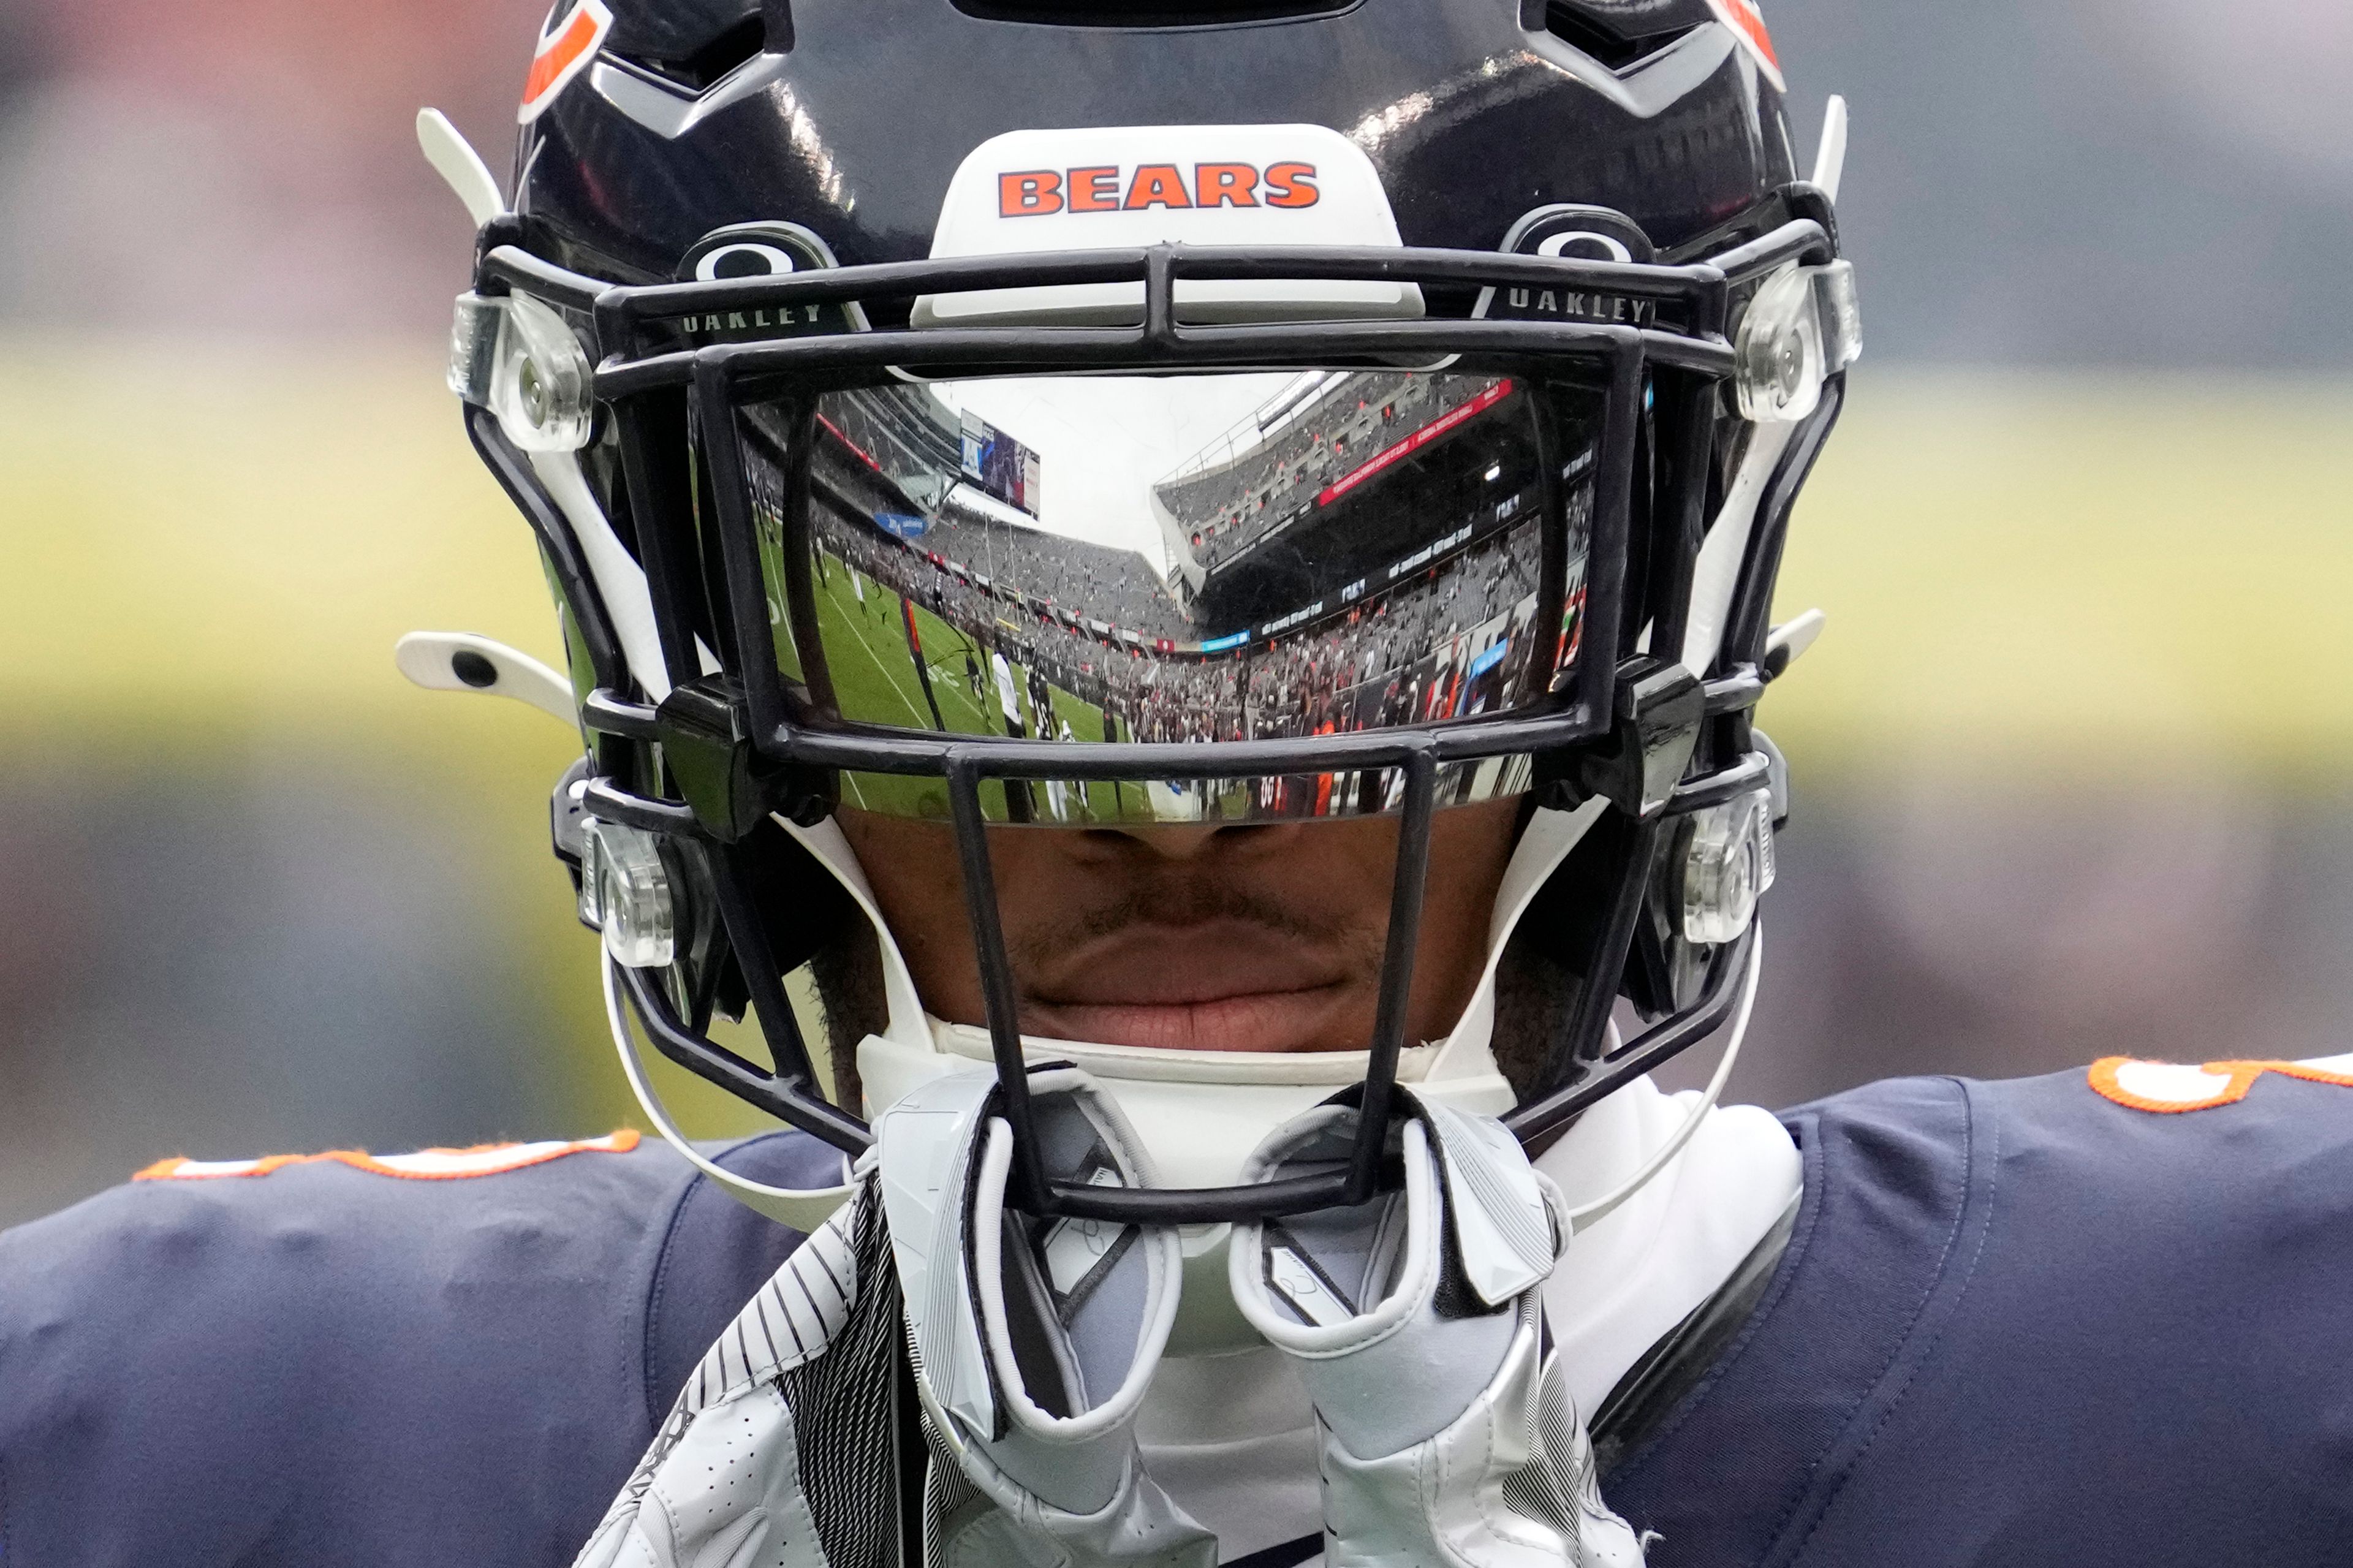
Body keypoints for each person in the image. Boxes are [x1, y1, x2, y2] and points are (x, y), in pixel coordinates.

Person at [5, 2, 2352, 1566]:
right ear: (678, 616)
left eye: (1369, 616)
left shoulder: (2244, 1376)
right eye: (995, 613)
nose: (1178, 810)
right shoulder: (190, 1432)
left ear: (1667, 558)